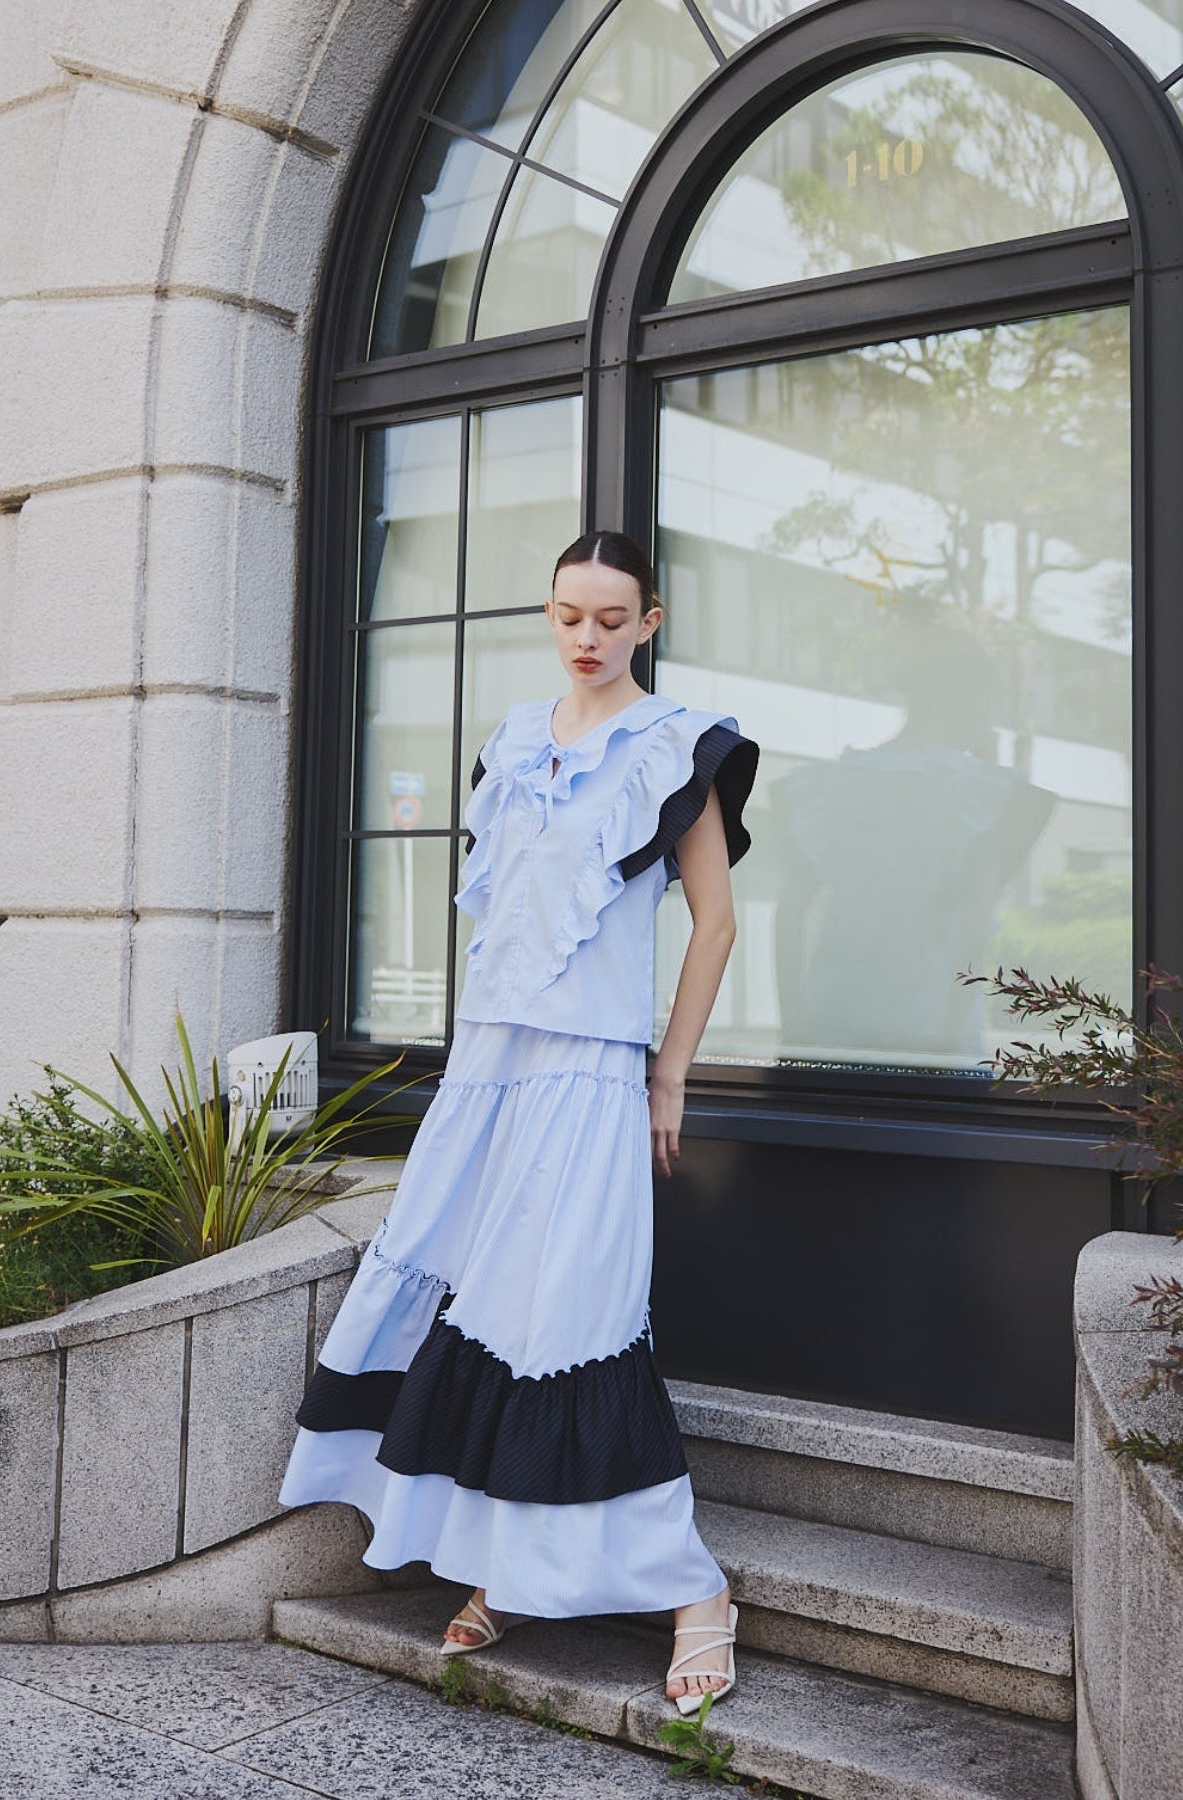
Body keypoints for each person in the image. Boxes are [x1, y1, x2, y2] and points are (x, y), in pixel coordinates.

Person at [278, 528, 760, 1714]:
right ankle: (508, 1563)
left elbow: (714, 924)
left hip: (592, 1069)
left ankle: (695, 1591)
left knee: (574, 1318)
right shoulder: (508, 742)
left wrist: (669, 1075)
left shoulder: (681, 744)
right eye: (569, 616)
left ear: (650, 622)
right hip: (489, 1063)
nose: (588, 638)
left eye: (612, 619)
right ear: (548, 614)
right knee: (484, 1304)